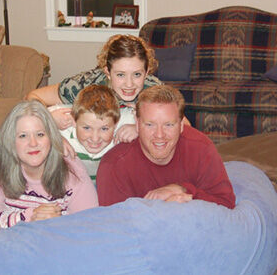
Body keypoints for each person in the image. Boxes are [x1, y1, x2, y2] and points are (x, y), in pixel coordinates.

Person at [96, 84, 236, 209]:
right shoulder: (113, 165)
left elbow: (226, 204)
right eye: (150, 125)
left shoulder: (201, 147)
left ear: (181, 125)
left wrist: (183, 190)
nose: (159, 135)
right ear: (137, 124)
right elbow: (114, 226)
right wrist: (161, 208)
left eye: (168, 125)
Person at [0, 100, 98, 230]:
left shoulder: (72, 168)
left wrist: (56, 220)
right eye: (23, 136)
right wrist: (30, 216)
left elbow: (89, 222)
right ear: (10, 141)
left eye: (40, 134)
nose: (33, 143)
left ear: (51, 137)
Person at [26, 34, 163, 141]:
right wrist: (49, 117)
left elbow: (182, 124)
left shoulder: (154, 90)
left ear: (147, 72)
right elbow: (33, 96)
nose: (129, 84)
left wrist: (141, 129)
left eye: (137, 74)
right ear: (107, 72)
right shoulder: (86, 83)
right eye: (120, 75)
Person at [52, 85, 136, 183]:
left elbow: (154, 120)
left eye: (104, 129)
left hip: (106, 186)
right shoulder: (64, 121)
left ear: (116, 124)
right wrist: (50, 122)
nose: (95, 139)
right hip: (72, 187)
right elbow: (33, 117)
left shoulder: (124, 120)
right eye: (87, 128)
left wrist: (138, 128)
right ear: (74, 121)